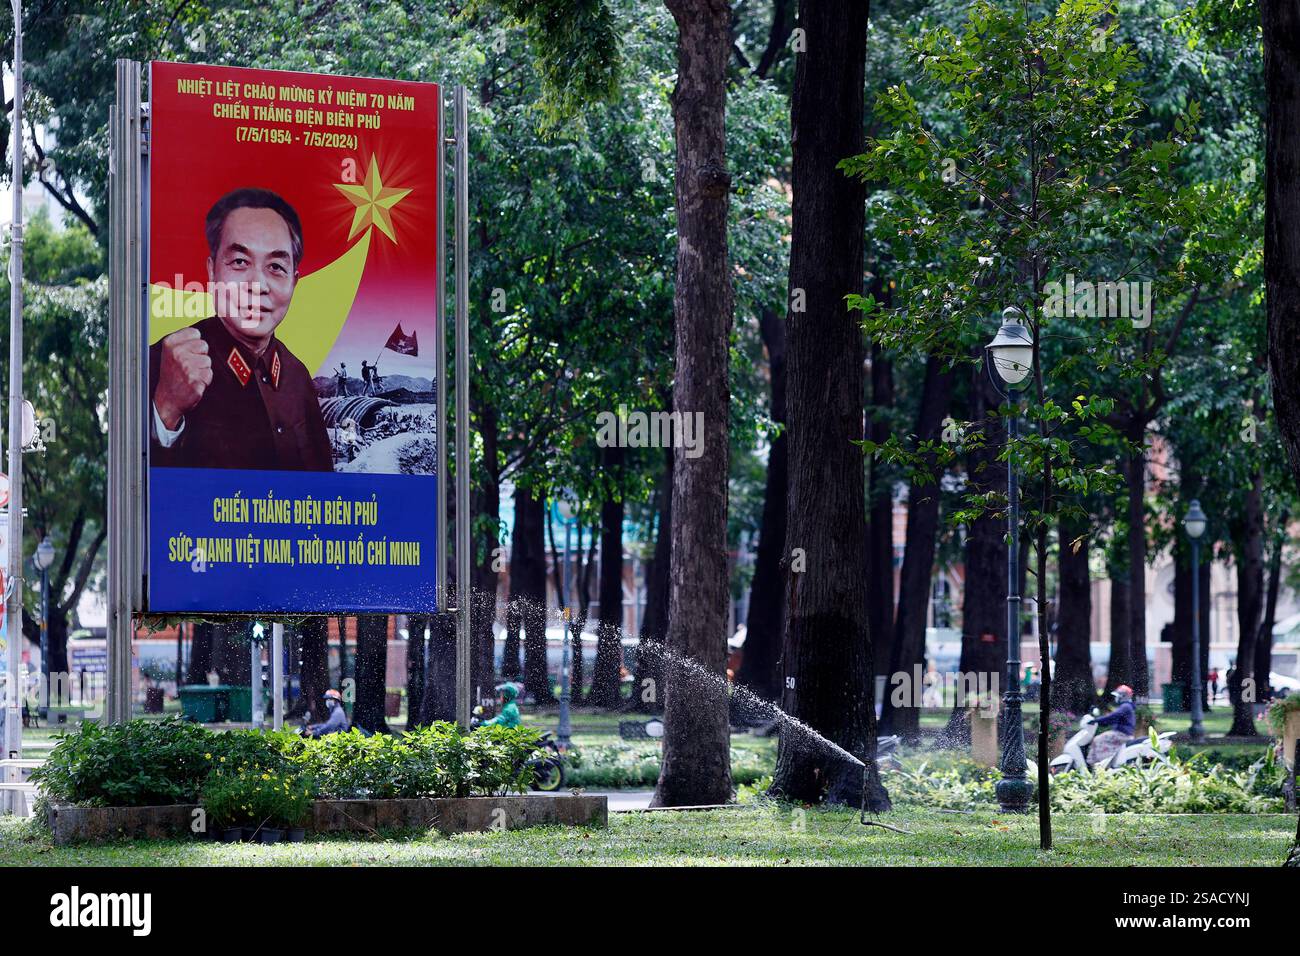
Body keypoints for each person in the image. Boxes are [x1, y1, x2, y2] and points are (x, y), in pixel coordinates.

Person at [150, 187, 333, 471]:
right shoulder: (163, 363)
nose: (257, 285)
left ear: (294, 282)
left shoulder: (298, 376)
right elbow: (138, 496)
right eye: (239, 262)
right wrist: (165, 410)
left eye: (275, 267)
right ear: (212, 272)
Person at [1090, 684, 1137, 765]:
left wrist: (1096, 720)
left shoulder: (1125, 706)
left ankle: (1101, 764)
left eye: (1117, 696)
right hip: (1122, 733)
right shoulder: (1126, 706)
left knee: (1097, 739)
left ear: (1122, 696)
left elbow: (1112, 716)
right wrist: (1102, 722)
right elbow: (1113, 719)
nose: (1116, 698)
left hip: (1122, 734)